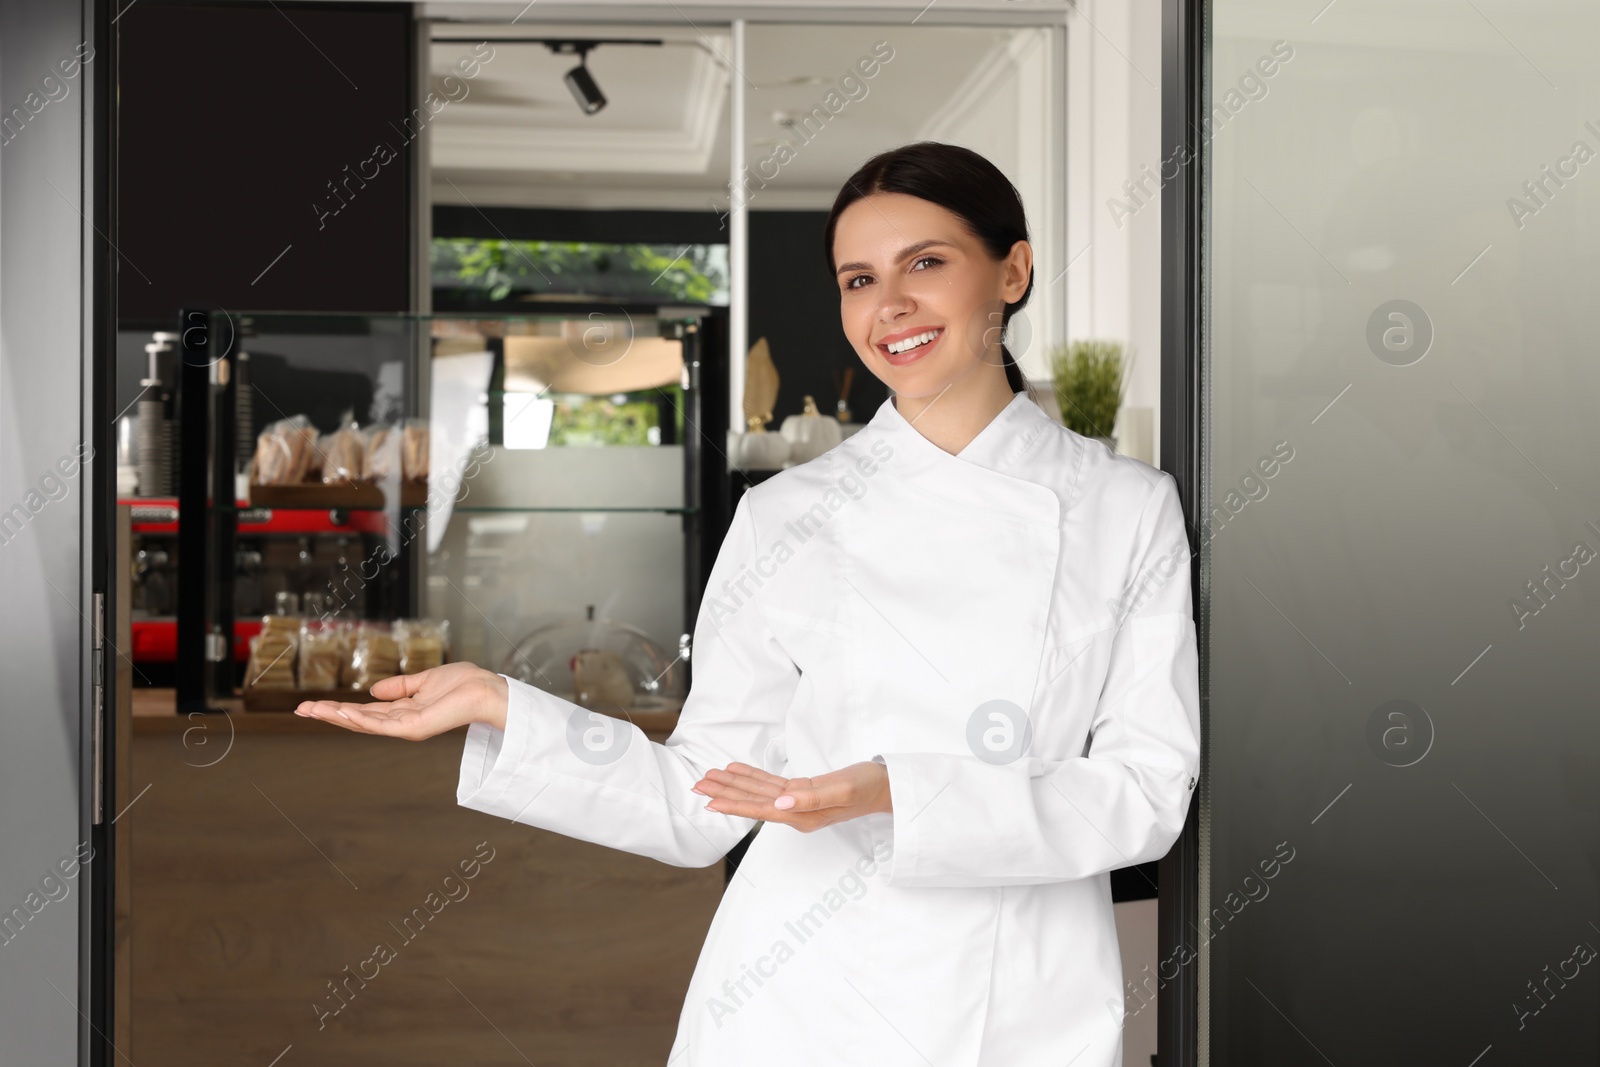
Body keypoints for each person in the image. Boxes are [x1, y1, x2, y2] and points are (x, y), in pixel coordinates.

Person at [297, 140, 1200, 1066]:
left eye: (925, 263)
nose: (889, 306)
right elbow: (700, 805)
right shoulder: (786, 516)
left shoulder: (1125, 509)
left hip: (1017, 1002)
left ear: (1013, 270)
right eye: (858, 278)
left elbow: (1145, 793)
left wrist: (893, 790)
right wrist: (504, 705)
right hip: (800, 996)